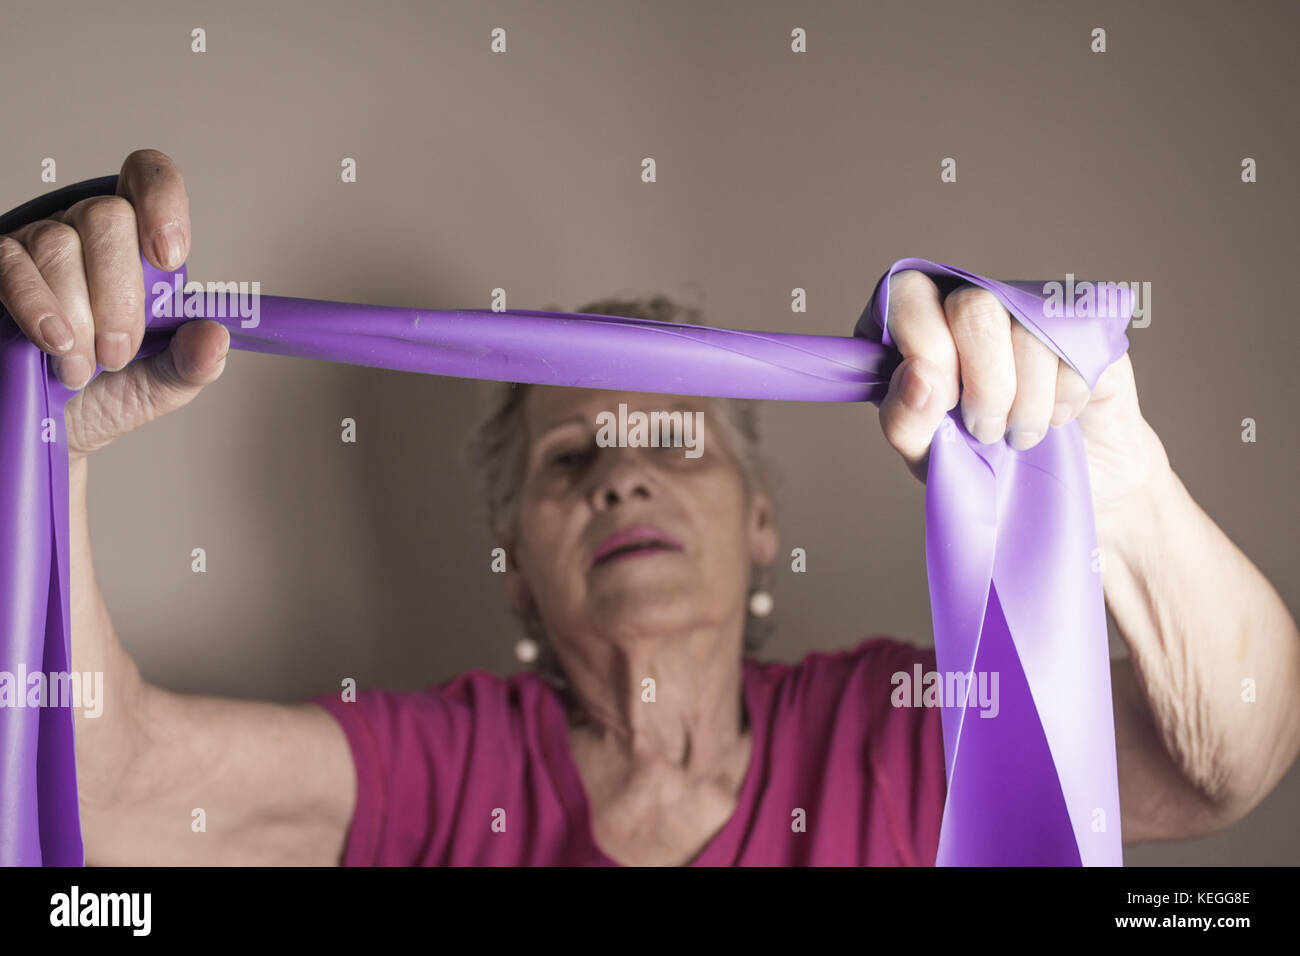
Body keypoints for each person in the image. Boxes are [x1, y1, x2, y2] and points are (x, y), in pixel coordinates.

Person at [2, 148, 1296, 865]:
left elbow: (1230, 755)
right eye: (570, 464)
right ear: (515, 566)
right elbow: (108, 796)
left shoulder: (901, 732)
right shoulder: (451, 770)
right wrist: (47, 447)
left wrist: (1108, 469)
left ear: (761, 524)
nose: (620, 474)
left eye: (669, 442)